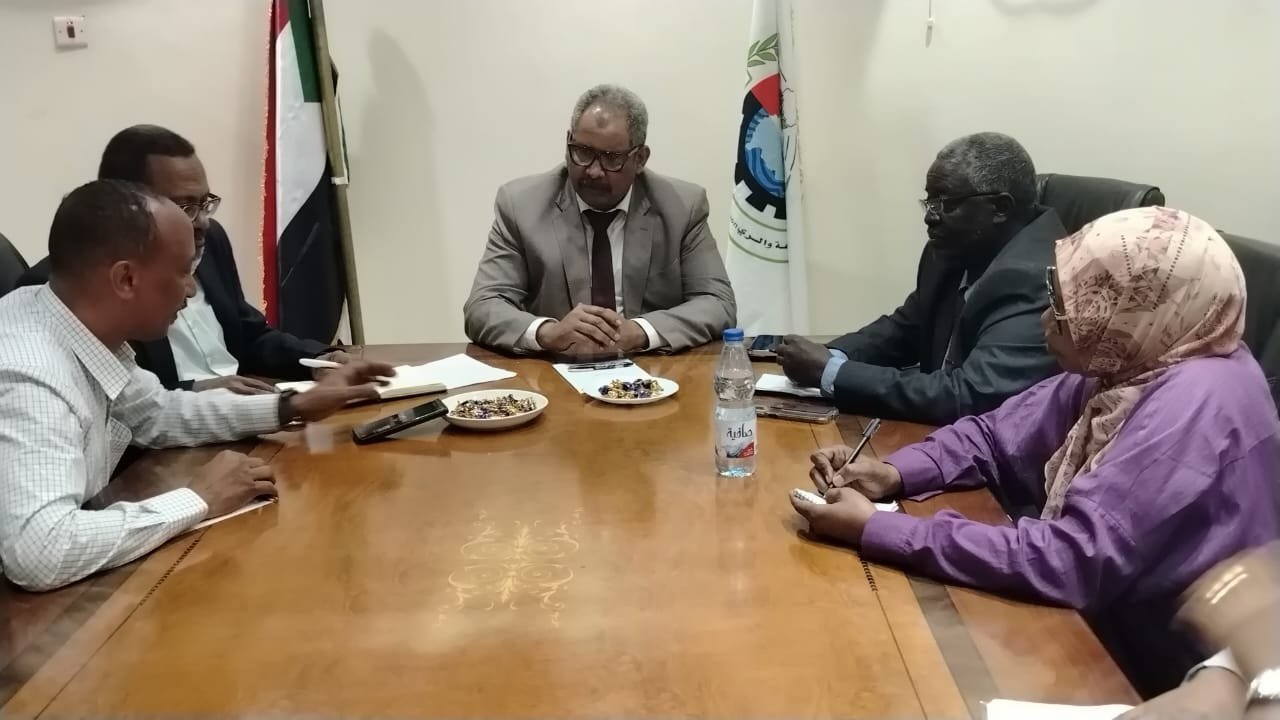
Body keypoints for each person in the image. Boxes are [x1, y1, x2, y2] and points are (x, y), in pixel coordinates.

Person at [790, 207, 1280, 695]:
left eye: (1068, 309)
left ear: (1134, 311)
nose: (1047, 321)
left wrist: (880, 529)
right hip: (1102, 625)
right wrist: (894, 473)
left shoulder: (1196, 403)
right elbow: (993, 434)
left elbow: (1070, 560)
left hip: (1157, 675)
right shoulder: (1142, 357)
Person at [0, 180, 394, 591]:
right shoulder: (32, 374)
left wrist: (292, 405)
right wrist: (199, 498)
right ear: (126, 279)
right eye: (183, 272)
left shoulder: (62, 315)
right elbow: (41, 551)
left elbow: (156, 412)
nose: (190, 289)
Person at [16, 124, 347, 394]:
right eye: (184, 206)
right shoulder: (66, 285)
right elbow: (118, 401)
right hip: (168, 442)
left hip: (246, 409)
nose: (201, 221)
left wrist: (322, 361)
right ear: (128, 203)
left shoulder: (211, 241)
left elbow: (250, 335)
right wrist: (197, 391)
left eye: (205, 203)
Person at [775, 132, 1065, 425]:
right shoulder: (954, 252)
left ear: (1000, 208)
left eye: (946, 203)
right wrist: (830, 356)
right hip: (937, 434)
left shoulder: (1039, 277)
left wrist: (831, 372)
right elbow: (906, 328)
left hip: (1001, 444)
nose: (930, 217)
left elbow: (970, 395)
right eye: (930, 202)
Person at [463, 84, 736, 356]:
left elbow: (717, 303)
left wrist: (641, 332)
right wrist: (548, 333)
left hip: (650, 368)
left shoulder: (682, 207)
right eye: (582, 151)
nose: (593, 171)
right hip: (555, 369)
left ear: (640, 158)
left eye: (612, 158)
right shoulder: (522, 205)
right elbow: (483, 305)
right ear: (567, 143)